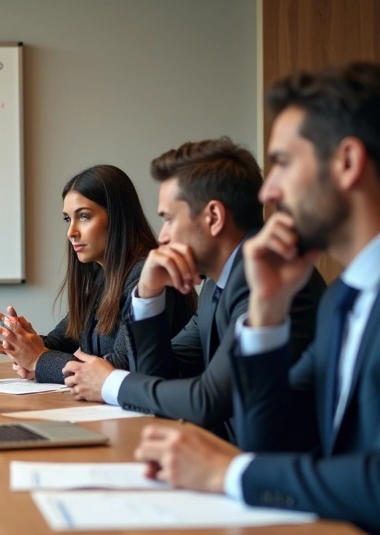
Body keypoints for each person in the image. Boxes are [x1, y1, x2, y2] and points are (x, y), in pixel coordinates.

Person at [135, 62, 380, 535]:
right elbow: (267, 441)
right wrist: (266, 312)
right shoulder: (343, 300)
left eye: (284, 163)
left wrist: (227, 472)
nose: (268, 192)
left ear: (348, 162)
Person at [60, 139, 325, 442]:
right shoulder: (217, 282)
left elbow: (206, 400)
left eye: (170, 219)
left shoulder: (271, 278)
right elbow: (161, 375)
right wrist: (148, 294)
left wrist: (110, 383)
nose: (163, 237)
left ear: (213, 217)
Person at [0, 165, 194, 384]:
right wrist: (22, 343)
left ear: (118, 217)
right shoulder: (103, 276)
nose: (71, 232)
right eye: (67, 219)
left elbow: (122, 368)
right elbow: (62, 340)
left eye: (84, 217)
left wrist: (39, 360)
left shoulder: (147, 277)